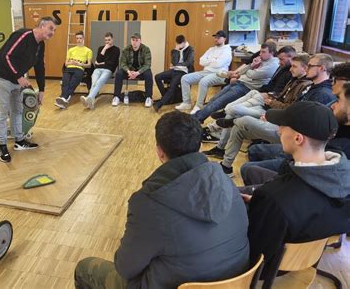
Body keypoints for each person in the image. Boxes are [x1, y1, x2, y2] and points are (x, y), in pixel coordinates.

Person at [74, 112, 250, 288]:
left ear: (159, 151)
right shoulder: (225, 180)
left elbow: (125, 268)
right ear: (198, 145)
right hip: (235, 280)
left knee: (85, 268)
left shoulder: (148, 203)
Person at [245, 101, 350, 283]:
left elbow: (256, 254)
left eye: (283, 128)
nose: (278, 131)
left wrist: (258, 207)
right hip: (309, 247)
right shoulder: (344, 173)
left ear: (298, 138)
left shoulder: (274, 199)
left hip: (274, 267)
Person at [204, 53, 310, 160]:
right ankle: (221, 142)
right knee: (246, 98)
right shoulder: (295, 79)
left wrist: (271, 104)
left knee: (233, 111)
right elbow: (281, 95)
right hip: (269, 105)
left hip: (272, 112)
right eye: (291, 66)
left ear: (305, 68)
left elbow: (289, 109)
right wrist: (271, 97)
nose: (291, 69)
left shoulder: (303, 85)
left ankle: (223, 127)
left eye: (294, 66)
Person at [0, 17, 56, 163]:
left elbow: (39, 67)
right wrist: (19, 76)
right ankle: (2, 146)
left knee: (17, 110)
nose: (53, 32)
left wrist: (42, 89)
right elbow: (7, 56)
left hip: (15, 79)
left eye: (54, 30)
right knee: (2, 112)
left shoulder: (40, 45)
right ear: (42, 25)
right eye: (51, 28)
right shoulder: (23, 35)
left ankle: (19, 141)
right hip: (1, 76)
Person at [193, 43, 279, 124]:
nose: (260, 54)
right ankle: (198, 117)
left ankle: (196, 118)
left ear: (271, 53)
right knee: (213, 99)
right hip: (240, 83)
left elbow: (252, 74)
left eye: (263, 52)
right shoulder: (262, 59)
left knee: (218, 103)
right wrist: (252, 65)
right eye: (260, 51)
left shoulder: (273, 64)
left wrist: (251, 68)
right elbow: (244, 72)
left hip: (246, 88)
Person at [175, 30, 232, 114]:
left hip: (220, 74)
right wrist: (213, 60)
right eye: (215, 37)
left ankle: (198, 106)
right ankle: (186, 103)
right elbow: (201, 61)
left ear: (224, 39)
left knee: (203, 82)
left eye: (218, 37)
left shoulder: (227, 51)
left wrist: (209, 61)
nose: (216, 39)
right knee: (185, 78)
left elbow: (218, 64)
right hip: (206, 72)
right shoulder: (211, 49)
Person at [153, 35, 194, 112]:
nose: (178, 45)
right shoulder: (174, 50)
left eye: (180, 43)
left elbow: (189, 62)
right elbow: (174, 62)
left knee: (173, 84)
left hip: (184, 72)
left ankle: (160, 104)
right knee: (157, 77)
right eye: (177, 43)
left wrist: (177, 65)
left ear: (184, 42)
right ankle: (166, 97)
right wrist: (176, 50)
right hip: (175, 70)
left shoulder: (190, 49)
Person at [112, 33, 154, 108]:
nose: (134, 42)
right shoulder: (126, 49)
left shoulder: (146, 49)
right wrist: (128, 71)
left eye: (136, 40)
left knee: (148, 74)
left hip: (140, 71)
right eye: (133, 40)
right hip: (129, 71)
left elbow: (147, 64)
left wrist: (137, 73)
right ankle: (116, 97)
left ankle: (148, 97)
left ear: (140, 41)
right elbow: (123, 63)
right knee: (119, 74)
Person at [80, 32, 120, 110]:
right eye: (106, 40)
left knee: (99, 81)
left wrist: (101, 63)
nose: (107, 42)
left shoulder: (116, 49)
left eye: (109, 40)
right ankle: (90, 102)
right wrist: (104, 49)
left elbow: (112, 63)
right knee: (94, 82)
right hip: (97, 69)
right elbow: (98, 60)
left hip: (108, 70)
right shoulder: (101, 48)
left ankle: (89, 97)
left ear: (112, 39)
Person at [55, 31, 92, 109]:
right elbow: (66, 64)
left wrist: (80, 64)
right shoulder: (71, 50)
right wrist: (71, 62)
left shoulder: (88, 50)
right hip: (69, 68)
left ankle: (63, 98)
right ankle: (64, 99)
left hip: (79, 69)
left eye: (80, 38)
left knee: (72, 83)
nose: (79, 40)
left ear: (83, 39)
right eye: (77, 38)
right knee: (65, 82)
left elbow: (89, 65)